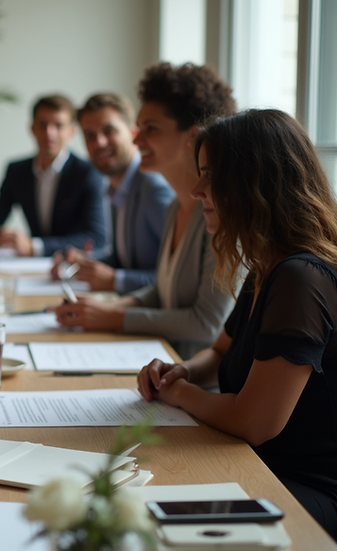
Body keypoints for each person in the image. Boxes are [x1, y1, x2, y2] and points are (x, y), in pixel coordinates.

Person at [139, 108, 337, 538]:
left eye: (210, 175)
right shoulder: (268, 265)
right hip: (250, 463)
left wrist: (180, 393)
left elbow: (254, 422)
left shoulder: (301, 278)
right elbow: (219, 352)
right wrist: (183, 369)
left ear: (256, 182)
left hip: (301, 491)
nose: (195, 190)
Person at [55, 63, 238, 360]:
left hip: (195, 381)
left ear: (191, 137)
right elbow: (159, 293)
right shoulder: (176, 207)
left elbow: (207, 324)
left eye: (150, 129)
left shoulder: (223, 217)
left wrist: (114, 317)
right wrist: (103, 309)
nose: (137, 139)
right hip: (161, 365)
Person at [51, 93, 174, 294]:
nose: (98, 142)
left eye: (109, 131)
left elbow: (176, 280)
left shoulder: (154, 190)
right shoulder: (117, 188)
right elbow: (124, 259)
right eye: (90, 135)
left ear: (134, 133)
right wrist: (82, 265)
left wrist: (116, 281)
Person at [0, 94, 106, 257]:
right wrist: (1, 236)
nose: (49, 133)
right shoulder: (16, 171)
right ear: (32, 128)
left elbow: (97, 237)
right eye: (43, 125)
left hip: (70, 268)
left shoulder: (88, 172)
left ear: (72, 131)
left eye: (58, 125)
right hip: (29, 268)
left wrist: (35, 246)